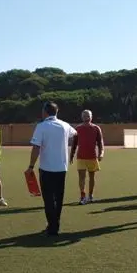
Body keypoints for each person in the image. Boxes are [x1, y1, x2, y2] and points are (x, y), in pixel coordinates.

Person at [27, 101, 77, 236]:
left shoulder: (42, 126)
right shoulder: (65, 125)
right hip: (62, 167)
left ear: (45, 112)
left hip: (47, 168)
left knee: (48, 199)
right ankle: (55, 225)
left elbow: (36, 147)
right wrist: (72, 152)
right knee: (58, 198)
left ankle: (52, 227)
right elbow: (76, 134)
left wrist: (31, 166)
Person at [69, 109, 104, 204]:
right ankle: (82, 196)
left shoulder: (96, 128)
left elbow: (100, 142)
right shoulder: (78, 128)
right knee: (81, 177)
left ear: (91, 117)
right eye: (84, 116)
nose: (86, 118)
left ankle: (91, 195)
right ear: (82, 117)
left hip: (92, 157)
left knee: (92, 176)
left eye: (88, 116)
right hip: (81, 157)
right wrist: (71, 155)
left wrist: (101, 153)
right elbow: (74, 144)